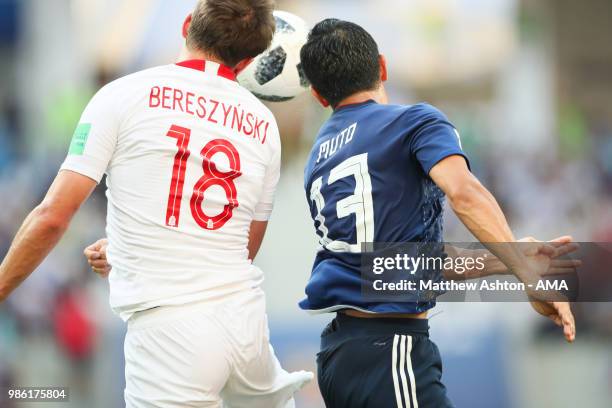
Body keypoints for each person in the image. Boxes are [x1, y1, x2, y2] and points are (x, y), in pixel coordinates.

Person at [0, 1, 312, 407]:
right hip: (246, 326)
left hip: (171, 331)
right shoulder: (262, 124)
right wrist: (135, 247)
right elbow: (244, 247)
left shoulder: (123, 95)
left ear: (187, 26)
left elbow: (52, 217)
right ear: (250, 60)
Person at [296, 19, 576, 407]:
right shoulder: (412, 122)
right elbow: (465, 193)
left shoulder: (319, 156)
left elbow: (399, 264)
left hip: (341, 355)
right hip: (390, 348)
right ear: (382, 66)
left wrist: (509, 261)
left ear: (317, 95)